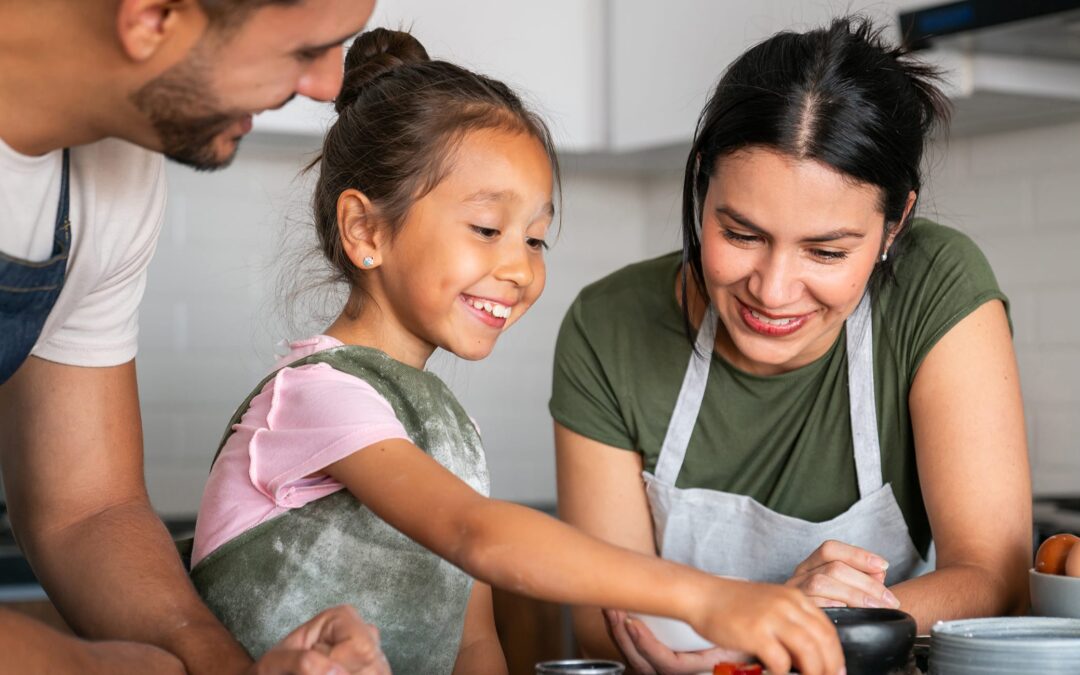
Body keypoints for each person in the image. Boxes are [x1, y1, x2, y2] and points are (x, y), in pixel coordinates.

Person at [189, 28, 845, 675]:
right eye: (486, 228)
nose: (520, 269)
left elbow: (472, 645)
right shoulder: (315, 396)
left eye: (535, 240)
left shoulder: (451, 433)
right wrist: (711, 596)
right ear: (365, 229)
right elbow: (478, 533)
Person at [551, 16, 1032, 675]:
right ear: (701, 183)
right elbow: (606, 625)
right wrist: (781, 612)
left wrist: (791, 629)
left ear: (896, 225)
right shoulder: (608, 325)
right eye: (741, 233)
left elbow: (994, 579)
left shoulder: (936, 285)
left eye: (826, 251)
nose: (774, 291)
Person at [0, 1, 389, 673]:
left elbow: (86, 509)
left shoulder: (111, 168)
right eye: (305, 51)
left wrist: (224, 664)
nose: (329, 85)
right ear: (153, 16)